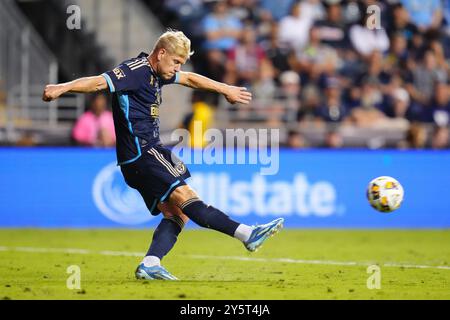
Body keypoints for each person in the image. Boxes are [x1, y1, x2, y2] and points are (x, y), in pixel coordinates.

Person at [42, 30, 284, 281]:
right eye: (176, 62)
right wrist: (63, 87)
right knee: (188, 198)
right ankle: (247, 234)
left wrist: (225, 88)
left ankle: (150, 263)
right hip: (143, 153)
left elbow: (190, 79)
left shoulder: (157, 74)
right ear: (161, 53)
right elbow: (98, 82)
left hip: (137, 159)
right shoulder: (135, 71)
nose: (177, 68)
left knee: (178, 214)